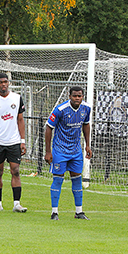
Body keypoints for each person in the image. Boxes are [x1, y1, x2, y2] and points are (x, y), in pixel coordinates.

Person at [44, 86, 92, 221]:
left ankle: (79, 212)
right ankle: (54, 212)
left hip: (76, 150)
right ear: (69, 96)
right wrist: (48, 151)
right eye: (74, 96)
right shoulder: (60, 110)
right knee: (58, 179)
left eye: (79, 96)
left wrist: (87, 145)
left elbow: (86, 124)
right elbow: (48, 127)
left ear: (82, 97)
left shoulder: (86, 108)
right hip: (60, 150)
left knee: (77, 179)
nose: (77, 98)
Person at [0, 73, 27, 213]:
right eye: (1, 82)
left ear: (9, 83)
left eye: (6, 82)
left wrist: (22, 141)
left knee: (16, 171)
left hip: (14, 142)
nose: (4, 84)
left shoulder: (17, 98)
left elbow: (20, 120)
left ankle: (17, 204)